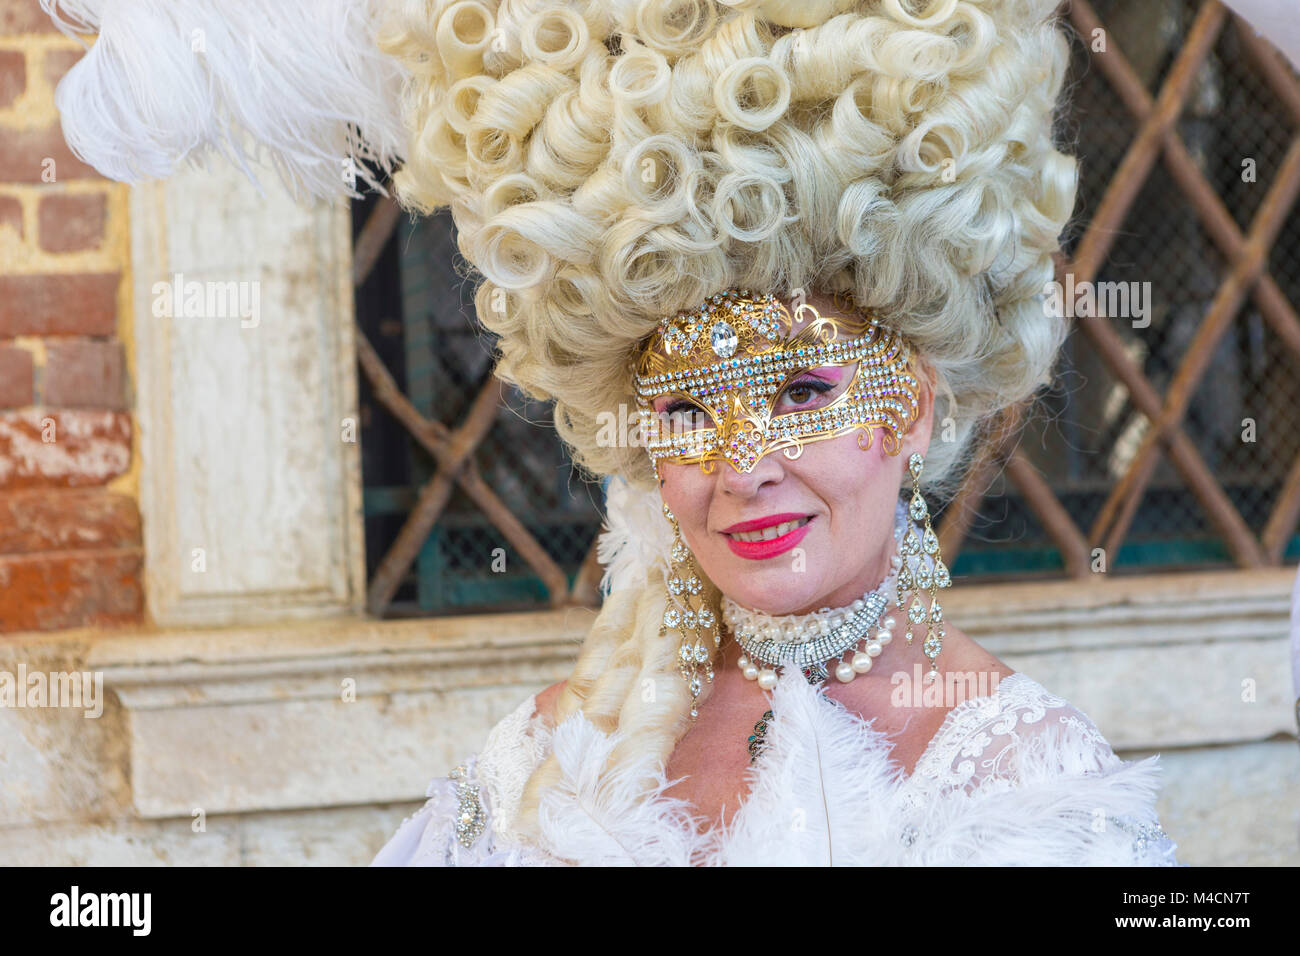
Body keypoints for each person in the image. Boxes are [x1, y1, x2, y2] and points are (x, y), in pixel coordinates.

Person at [41, 0, 1194, 866]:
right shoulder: (546, 760)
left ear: (915, 405)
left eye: (799, 394)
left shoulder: (1034, 790)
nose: (743, 468)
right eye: (688, 410)